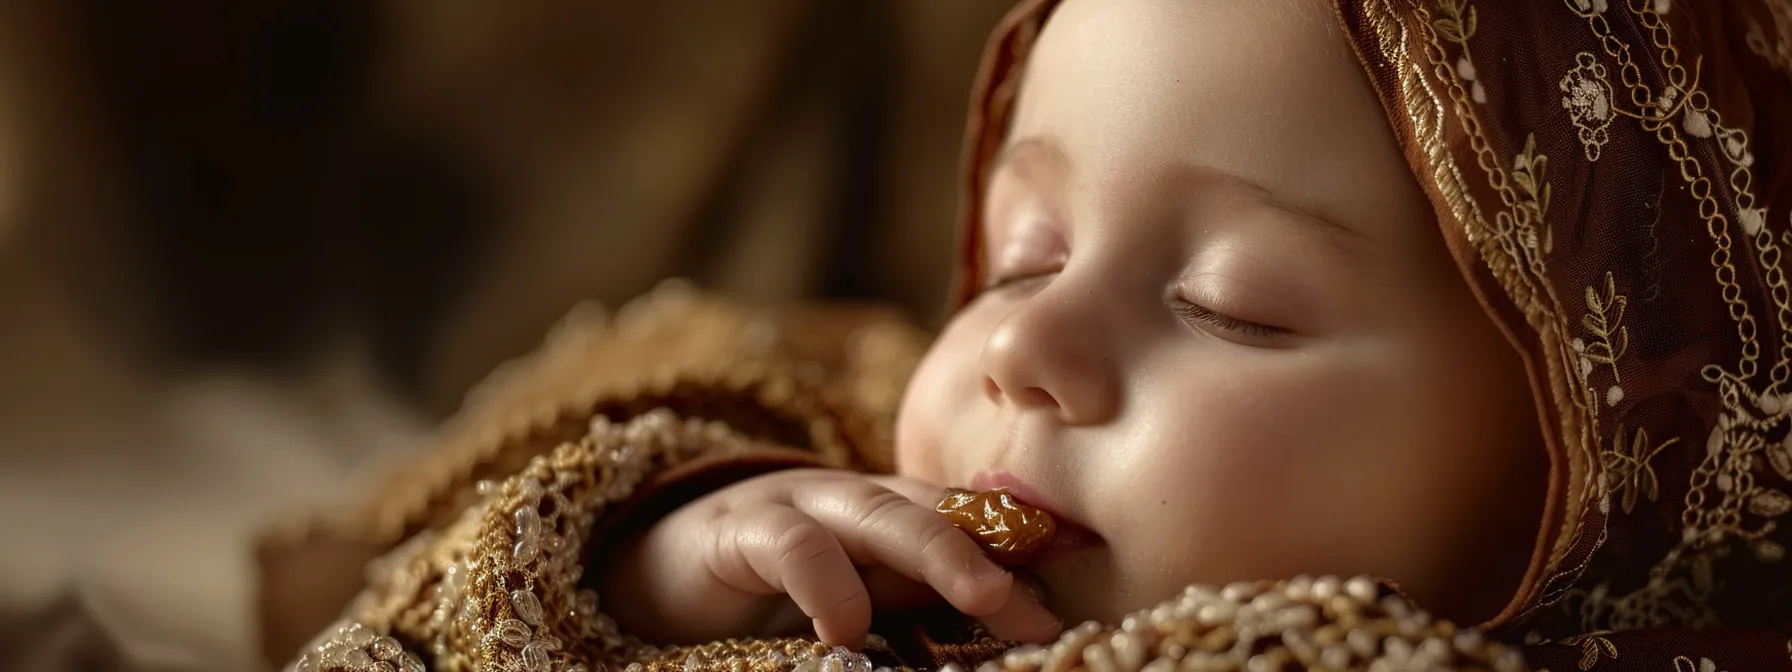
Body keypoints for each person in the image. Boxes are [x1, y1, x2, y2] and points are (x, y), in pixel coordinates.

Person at [265, 0, 1792, 670]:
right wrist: (667, 569)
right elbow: (396, 628)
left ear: (1602, 461)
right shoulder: (847, 552)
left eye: (1231, 306)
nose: (1024, 345)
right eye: (1015, 254)